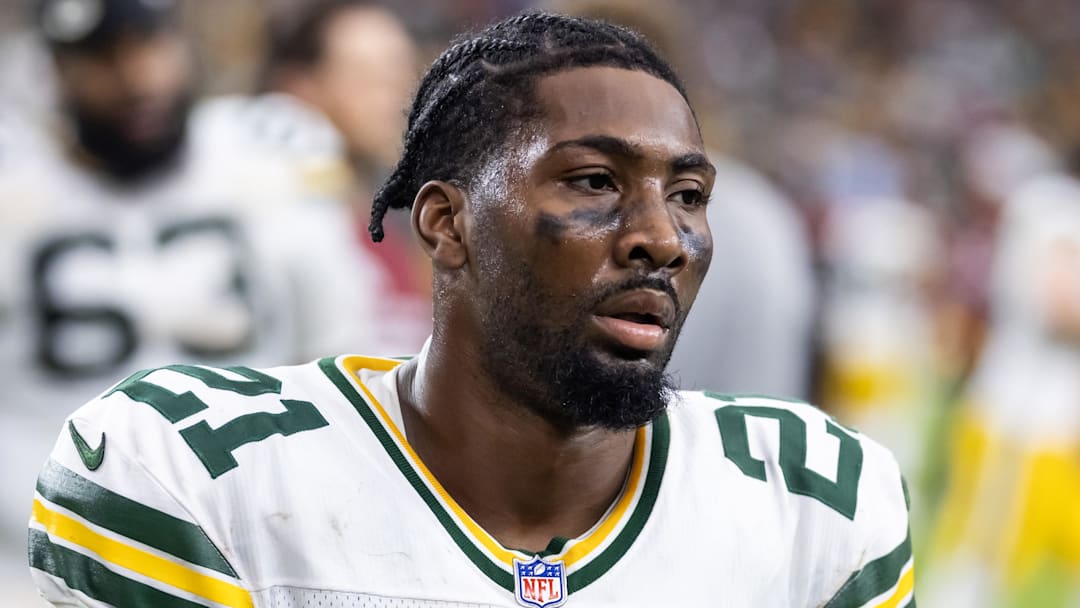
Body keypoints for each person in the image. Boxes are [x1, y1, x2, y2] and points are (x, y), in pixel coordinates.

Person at [28, 12, 913, 607]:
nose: (663, 238)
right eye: (595, 182)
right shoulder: (192, 481)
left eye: (687, 193)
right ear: (446, 222)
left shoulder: (814, 502)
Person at [2, 0, 390, 594]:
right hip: (38, 556)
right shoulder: (14, 184)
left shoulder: (269, 151)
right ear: (55, 69)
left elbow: (344, 348)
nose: (138, 79)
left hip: (255, 543)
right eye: (104, 57)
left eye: (150, 45)